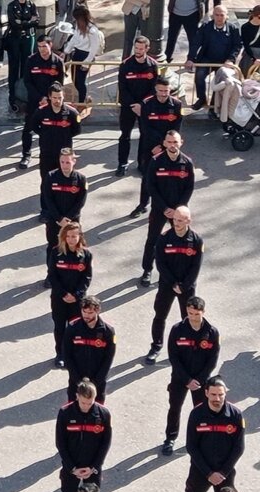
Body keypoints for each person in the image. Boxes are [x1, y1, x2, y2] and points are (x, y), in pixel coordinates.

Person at [180, 376, 246, 492]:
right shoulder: (197, 414)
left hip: (225, 473)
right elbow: (191, 446)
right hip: (201, 471)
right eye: (213, 394)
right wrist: (209, 473)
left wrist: (222, 473)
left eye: (221, 394)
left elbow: (238, 447)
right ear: (206, 393)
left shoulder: (235, 415)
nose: (217, 398)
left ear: (226, 394)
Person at [146, 206, 203, 365]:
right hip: (167, 285)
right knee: (160, 316)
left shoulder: (196, 240)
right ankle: (156, 346)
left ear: (188, 221)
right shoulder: (164, 238)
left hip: (187, 286)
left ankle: (187, 349)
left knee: (188, 318)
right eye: (175, 219)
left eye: (180, 220)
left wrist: (184, 286)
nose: (176, 223)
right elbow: (161, 264)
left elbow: (195, 266)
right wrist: (172, 283)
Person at [162, 297, 219, 455]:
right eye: (190, 313)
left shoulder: (211, 332)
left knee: (200, 411)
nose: (192, 317)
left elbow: (212, 359)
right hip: (180, 378)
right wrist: (187, 379)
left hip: (201, 380)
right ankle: (170, 438)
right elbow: (173, 357)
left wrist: (199, 380)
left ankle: (199, 440)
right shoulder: (177, 329)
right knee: (174, 408)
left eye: (196, 313)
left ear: (203, 312)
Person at [138, 131, 194, 287]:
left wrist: (178, 209)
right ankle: (147, 270)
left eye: (175, 142)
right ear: (164, 143)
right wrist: (164, 208)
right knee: (153, 240)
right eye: (169, 142)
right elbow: (151, 186)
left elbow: (189, 187)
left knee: (182, 242)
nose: (172, 145)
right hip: (160, 209)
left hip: (179, 211)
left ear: (181, 142)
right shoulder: (156, 161)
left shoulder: (187, 163)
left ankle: (181, 273)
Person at [54, 379, 112, 492]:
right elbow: (60, 443)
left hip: (92, 468)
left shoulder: (103, 414)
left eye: (90, 403)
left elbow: (106, 443)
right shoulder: (65, 413)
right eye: (83, 402)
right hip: (71, 468)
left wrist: (94, 467)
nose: (86, 406)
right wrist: (72, 468)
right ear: (77, 396)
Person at [46, 223, 92, 367]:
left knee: (75, 328)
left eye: (74, 236)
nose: (71, 239)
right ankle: (60, 353)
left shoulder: (86, 254)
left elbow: (87, 277)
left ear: (79, 237)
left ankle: (73, 354)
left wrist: (76, 295)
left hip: (77, 300)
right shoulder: (56, 252)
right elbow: (52, 276)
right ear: (63, 237)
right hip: (59, 298)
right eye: (68, 236)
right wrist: (64, 294)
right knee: (60, 327)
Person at [18, 37, 65, 168]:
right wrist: (40, 98)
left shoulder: (58, 62)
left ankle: (46, 155)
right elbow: (27, 82)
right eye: (39, 46)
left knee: (49, 130)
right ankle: (26, 155)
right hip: (34, 101)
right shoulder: (31, 60)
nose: (42, 49)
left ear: (51, 45)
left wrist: (49, 98)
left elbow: (59, 84)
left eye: (44, 46)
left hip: (51, 102)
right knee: (28, 128)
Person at [40, 149, 87, 278]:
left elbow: (81, 202)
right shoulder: (50, 177)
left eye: (67, 162)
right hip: (54, 221)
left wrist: (68, 219)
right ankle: (51, 275)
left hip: (72, 223)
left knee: (73, 247)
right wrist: (59, 218)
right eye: (62, 162)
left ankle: (70, 276)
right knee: (53, 247)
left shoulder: (81, 179)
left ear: (74, 162)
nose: (64, 165)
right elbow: (48, 199)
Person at [25, 83, 88, 177]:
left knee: (64, 180)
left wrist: (65, 136)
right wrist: (44, 135)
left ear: (63, 97)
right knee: (46, 179)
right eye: (54, 97)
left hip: (64, 154)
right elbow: (34, 126)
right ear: (49, 97)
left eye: (60, 97)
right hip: (47, 152)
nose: (57, 100)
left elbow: (77, 130)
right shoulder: (41, 112)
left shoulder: (72, 113)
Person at [62, 296, 116, 403]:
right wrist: (77, 380)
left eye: (90, 312)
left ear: (98, 311)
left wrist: (96, 382)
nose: (86, 315)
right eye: (84, 311)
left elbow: (108, 358)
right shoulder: (72, 329)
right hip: (76, 379)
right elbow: (67, 354)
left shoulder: (108, 332)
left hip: (98, 382)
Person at [188, 5, 242, 112]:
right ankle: (202, 98)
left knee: (220, 82)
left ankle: (214, 105)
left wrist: (230, 59)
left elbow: (237, 45)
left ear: (226, 16)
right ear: (213, 16)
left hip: (224, 61)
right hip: (207, 58)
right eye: (216, 15)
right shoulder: (205, 27)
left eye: (222, 15)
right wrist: (190, 58)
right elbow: (196, 43)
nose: (219, 18)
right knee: (199, 76)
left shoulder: (233, 29)